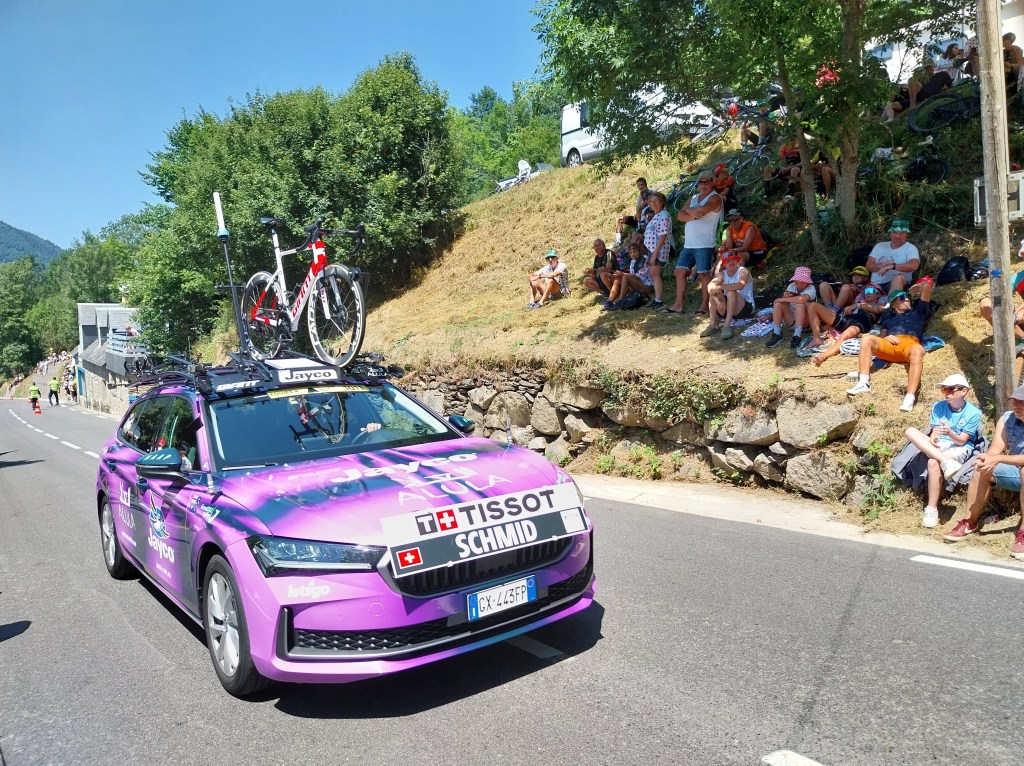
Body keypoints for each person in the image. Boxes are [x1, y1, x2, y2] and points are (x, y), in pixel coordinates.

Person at [943, 384, 1024, 561]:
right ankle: (969, 522)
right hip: (1015, 470)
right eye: (1014, 401)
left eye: (1022, 402)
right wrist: (986, 459)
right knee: (982, 467)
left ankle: (1023, 533)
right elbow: (994, 451)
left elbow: (1002, 458)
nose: (1017, 405)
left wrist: (999, 459)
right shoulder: (1007, 418)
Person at [902, 374, 983, 529]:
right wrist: (934, 438)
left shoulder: (973, 413)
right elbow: (934, 432)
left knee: (933, 462)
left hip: (958, 446)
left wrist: (950, 433)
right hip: (942, 446)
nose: (947, 393)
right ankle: (945, 462)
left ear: (964, 391)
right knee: (910, 431)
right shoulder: (938, 406)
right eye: (944, 389)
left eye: (951, 389)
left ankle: (931, 508)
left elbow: (962, 441)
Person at [846, 278, 935, 412]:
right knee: (866, 339)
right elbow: (880, 339)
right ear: (893, 305)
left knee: (917, 350)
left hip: (909, 345)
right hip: (891, 347)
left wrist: (920, 286)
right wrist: (887, 337)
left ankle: (909, 397)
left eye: (907, 297)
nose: (906, 299)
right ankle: (864, 382)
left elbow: (927, 288)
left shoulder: (918, 313)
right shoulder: (888, 321)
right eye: (901, 298)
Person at [666, 173, 723, 316]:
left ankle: (705, 305)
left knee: (703, 274)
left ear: (713, 182)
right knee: (679, 272)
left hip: (704, 244)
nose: (703, 185)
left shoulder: (715, 197)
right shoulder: (693, 198)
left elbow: (702, 212)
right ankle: (678, 305)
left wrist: (690, 213)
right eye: (700, 182)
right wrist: (693, 214)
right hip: (689, 244)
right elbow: (680, 215)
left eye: (706, 182)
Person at [807, 284, 886, 366]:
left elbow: (876, 310)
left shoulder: (880, 306)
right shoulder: (855, 303)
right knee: (812, 306)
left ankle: (822, 357)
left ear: (878, 294)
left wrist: (858, 305)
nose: (868, 293)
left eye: (871, 291)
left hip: (860, 322)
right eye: (866, 291)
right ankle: (816, 338)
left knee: (844, 337)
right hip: (845, 319)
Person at [701, 252, 755, 340]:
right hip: (728, 307)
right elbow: (710, 286)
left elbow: (739, 286)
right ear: (724, 264)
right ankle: (713, 325)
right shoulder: (722, 274)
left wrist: (720, 287)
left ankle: (726, 326)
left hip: (745, 307)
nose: (731, 262)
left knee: (730, 292)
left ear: (737, 261)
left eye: (733, 259)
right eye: (728, 261)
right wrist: (717, 300)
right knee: (714, 293)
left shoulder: (743, 271)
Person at [765, 266, 816, 349]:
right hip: (791, 319)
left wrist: (783, 299)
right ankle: (777, 334)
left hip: (805, 323)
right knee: (778, 304)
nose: (798, 285)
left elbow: (802, 299)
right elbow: (784, 303)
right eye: (796, 282)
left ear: (807, 282)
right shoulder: (791, 286)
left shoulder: (811, 289)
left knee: (800, 304)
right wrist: (784, 298)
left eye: (802, 283)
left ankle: (797, 336)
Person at [866, 219, 919, 292]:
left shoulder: (910, 248)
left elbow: (914, 265)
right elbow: (869, 265)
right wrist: (881, 266)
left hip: (900, 284)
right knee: (866, 292)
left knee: (898, 278)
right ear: (890, 233)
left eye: (901, 233)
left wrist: (892, 266)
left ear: (906, 235)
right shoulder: (880, 246)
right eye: (895, 233)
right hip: (876, 285)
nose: (897, 236)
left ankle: (893, 301)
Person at [642, 191, 673, 309]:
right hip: (653, 249)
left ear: (662, 202)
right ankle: (656, 299)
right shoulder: (657, 215)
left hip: (658, 251)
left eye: (656, 201)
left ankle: (659, 300)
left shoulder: (664, 216)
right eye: (651, 201)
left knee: (655, 273)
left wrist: (655, 254)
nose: (653, 204)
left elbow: (662, 235)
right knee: (654, 274)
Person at [603, 242, 653, 311]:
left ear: (639, 251)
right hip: (637, 285)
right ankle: (609, 302)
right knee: (618, 279)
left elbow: (638, 276)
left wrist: (623, 274)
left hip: (647, 286)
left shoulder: (644, 259)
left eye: (634, 251)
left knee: (624, 277)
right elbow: (631, 276)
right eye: (630, 252)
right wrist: (620, 275)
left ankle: (620, 301)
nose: (632, 254)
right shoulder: (633, 262)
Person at [615, 177, 652, 245]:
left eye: (642, 184)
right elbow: (638, 208)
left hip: (647, 218)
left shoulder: (651, 193)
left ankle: (640, 232)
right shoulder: (639, 197)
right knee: (619, 219)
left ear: (646, 184)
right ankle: (618, 240)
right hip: (638, 217)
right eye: (638, 185)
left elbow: (646, 207)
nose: (640, 187)